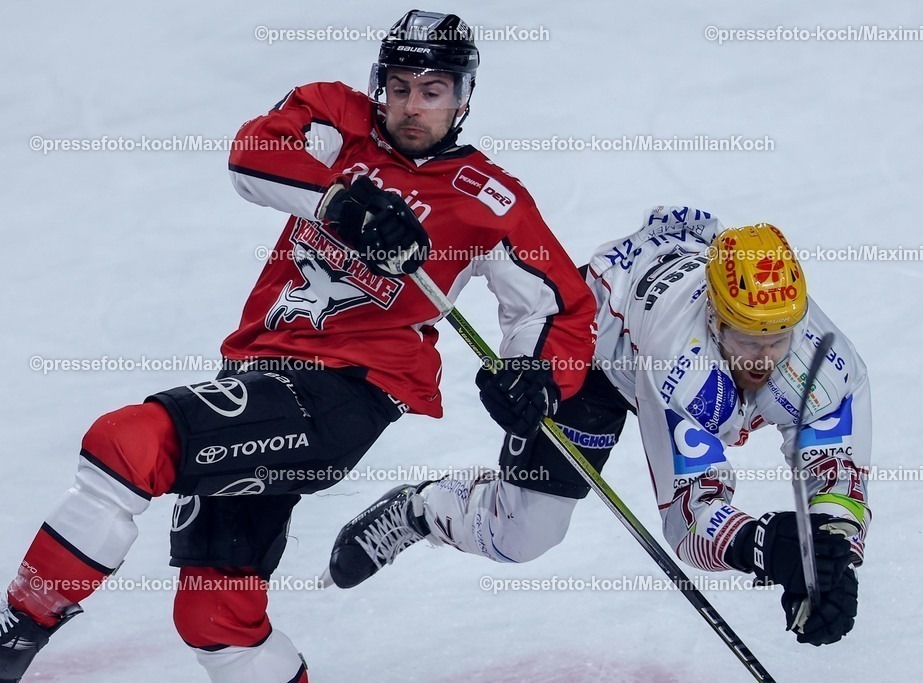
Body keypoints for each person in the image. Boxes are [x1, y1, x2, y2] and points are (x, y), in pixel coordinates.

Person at [0, 10, 595, 683]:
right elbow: (253, 152)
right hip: (257, 378)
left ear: (462, 98)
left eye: (431, 91)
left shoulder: (487, 198)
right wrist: (342, 202)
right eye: (398, 86)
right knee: (217, 615)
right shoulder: (338, 120)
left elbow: (559, 304)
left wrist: (538, 375)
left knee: (127, 442)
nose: (410, 106)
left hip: (341, 395)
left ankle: (11, 636)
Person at [328, 207, 872, 647]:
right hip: (595, 350)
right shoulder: (680, 362)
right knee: (524, 536)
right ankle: (424, 510)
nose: (764, 357)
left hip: (654, 292)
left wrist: (831, 564)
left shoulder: (825, 361)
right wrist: (765, 547)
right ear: (714, 317)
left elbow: (835, 474)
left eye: (778, 338)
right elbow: (690, 518)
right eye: (747, 338)